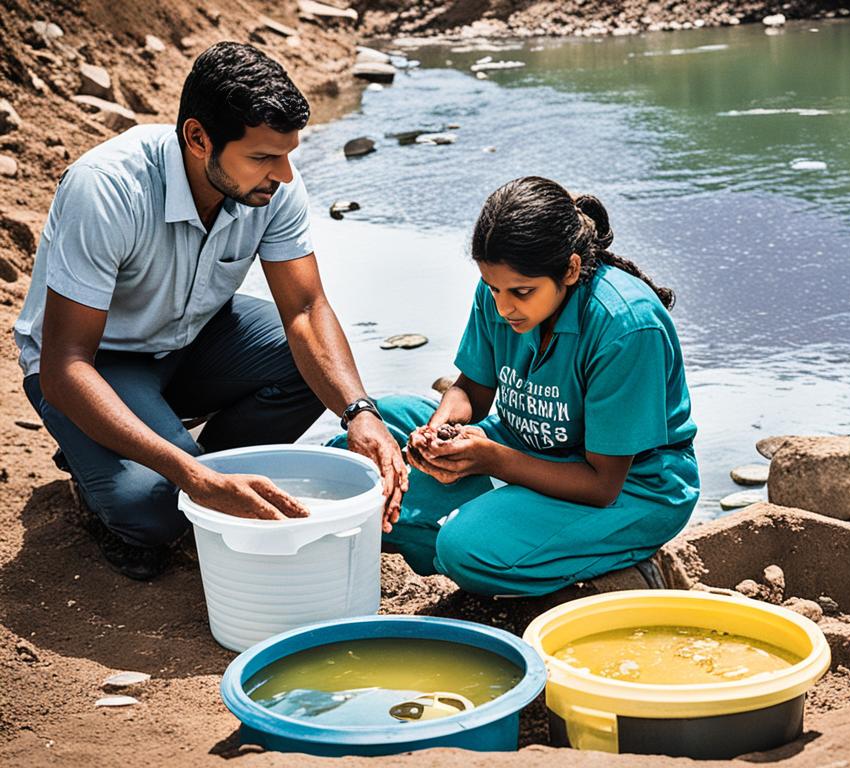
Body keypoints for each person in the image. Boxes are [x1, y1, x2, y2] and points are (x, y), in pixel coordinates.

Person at [13, 42, 406, 580]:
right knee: (156, 514)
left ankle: (173, 463)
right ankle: (121, 476)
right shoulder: (107, 188)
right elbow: (65, 367)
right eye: (264, 157)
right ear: (198, 138)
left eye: (289, 154)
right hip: (97, 365)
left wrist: (361, 413)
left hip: (192, 343)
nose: (285, 175)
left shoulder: (270, 183)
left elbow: (307, 310)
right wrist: (192, 476)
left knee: (306, 369)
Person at [328, 176, 699, 596]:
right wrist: (440, 429)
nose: (504, 307)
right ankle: (517, 540)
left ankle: (617, 561)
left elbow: (601, 485)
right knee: (364, 448)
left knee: (464, 548)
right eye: (493, 288)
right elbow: (472, 389)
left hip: (631, 488)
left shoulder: (625, 327)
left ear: (571, 270)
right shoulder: (503, 291)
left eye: (522, 292)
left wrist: (492, 460)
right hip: (527, 449)